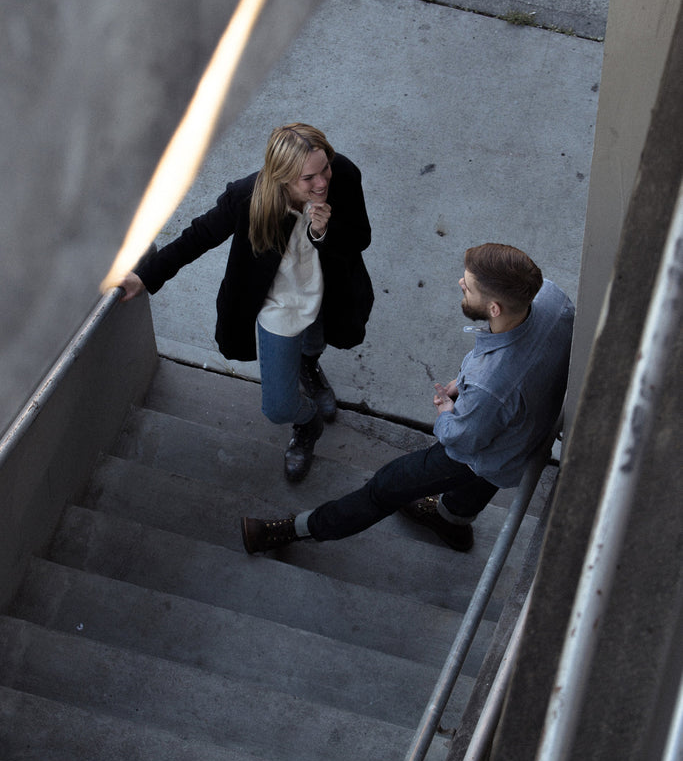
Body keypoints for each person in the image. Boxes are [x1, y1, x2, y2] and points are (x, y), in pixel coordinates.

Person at [241, 243, 574, 553]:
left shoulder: (491, 388)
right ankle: (452, 524)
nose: (460, 282)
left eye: (468, 286)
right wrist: (464, 381)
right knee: (483, 478)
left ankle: (296, 530)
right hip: (520, 439)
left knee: (386, 487)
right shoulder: (552, 300)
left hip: (486, 447)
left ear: (494, 308)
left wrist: (447, 411)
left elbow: (461, 441)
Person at [120, 123, 374, 482]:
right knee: (278, 406)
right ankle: (307, 422)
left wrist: (323, 233)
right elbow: (200, 235)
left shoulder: (343, 175)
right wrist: (146, 276)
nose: (321, 183)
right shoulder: (248, 197)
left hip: (326, 294)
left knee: (314, 344)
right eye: (308, 178)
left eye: (325, 169)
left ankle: (308, 366)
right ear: (282, 176)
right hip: (278, 307)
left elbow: (360, 238)